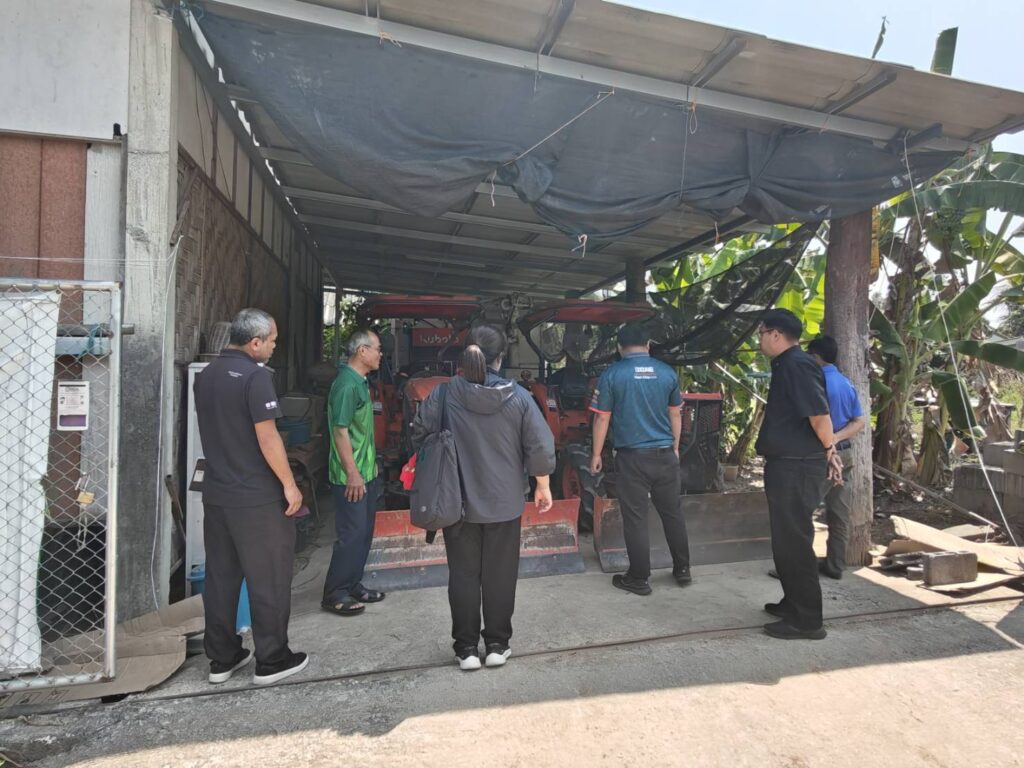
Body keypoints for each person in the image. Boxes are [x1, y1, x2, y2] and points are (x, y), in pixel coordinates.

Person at [412, 325, 555, 671]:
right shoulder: (519, 397)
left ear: (465, 356)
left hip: (456, 503)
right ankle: (496, 645)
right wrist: (543, 485)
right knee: (500, 576)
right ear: (500, 358)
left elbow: (418, 432)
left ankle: (465, 650)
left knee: (462, 575)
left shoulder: (443, 394)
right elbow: (539, 444)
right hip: (504, 503)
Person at [193, 308, 308, 686]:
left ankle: (222, 658)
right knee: (268, 577)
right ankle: (272, 660)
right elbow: (267, 436)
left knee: (221, 578)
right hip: (256, 498)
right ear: (255, 342)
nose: (274, 347)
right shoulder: (256, 377)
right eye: (272, 341)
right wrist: (289, 484)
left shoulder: (206, 375)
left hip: (217, 495)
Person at [755, 309, 843, 641]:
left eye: (762, 333)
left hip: (798, 466)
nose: (760, 340)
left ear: (776, 334)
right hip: (786, 464)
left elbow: (819, 415)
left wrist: (830, 449)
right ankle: (792, 603)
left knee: (795, 541)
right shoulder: (786, 364)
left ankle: (807, 620)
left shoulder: (797, 365)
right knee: (785, 541)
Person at [589, 323, 692, 596]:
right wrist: (675, 448)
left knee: (635, 518)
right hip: (665, 456)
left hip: (632, 459)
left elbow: (602, 418)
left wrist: (596, 454)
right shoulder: (667, 373)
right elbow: (675, 414)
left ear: (618, 347)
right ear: (648, 345)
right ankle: (683, 569)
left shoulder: (612, 374)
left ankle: (639, 578)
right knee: (673, 513)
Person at [322, 329, 385, 617]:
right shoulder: (346, 385)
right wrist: (352, 473)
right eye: (377, 348)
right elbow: (340, 431)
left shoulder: (360, 381)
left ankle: (352, 584)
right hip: (351, 476)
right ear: (362, 351)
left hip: (366, 472)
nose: (380, 354)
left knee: (364, 533)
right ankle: (335, 593)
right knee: (351, 534)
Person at [806, 335, 866, 579]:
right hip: (846, 453)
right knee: (839, 513)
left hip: (822, 455)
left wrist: (829, 442)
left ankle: (799, 568)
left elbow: (815, 422)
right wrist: (838, 438)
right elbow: (859, 421)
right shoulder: (845, 383)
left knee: (802, 510)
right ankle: (835, 565)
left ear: (815, 357)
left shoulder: (815, 383)